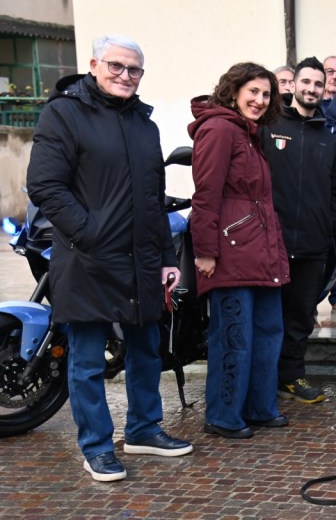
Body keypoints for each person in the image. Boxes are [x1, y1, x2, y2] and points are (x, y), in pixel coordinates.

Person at [27, 34, 193, 481]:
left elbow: (153, 197)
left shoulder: (144, 124)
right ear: (94, 64)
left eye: (134, 69)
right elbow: (45, 186)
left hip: (140, 261)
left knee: (146, 350)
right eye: (116, 66)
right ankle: (97, 447)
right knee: (85, 360)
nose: (125, 75)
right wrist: (90, 233)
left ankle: (142, 429)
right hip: (87, 259)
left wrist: (165, 255)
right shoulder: (63, 113)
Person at [188, 62, 290, 439]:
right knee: (234, 337)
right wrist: (205, 251)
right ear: (234, 91)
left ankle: (260, 407)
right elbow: (206, 195)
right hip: (230, 253)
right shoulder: (218, 129)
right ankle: (223, 414)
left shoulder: (251, 134)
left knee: (267, 333)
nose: (260, 100)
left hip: (261, 252)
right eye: (254, 92)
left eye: (266, 94)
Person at [264, 56, 336, 404]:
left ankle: (291, 378)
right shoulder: (270, 127)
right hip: (270, 243)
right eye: (305, 82)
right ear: (292, 85)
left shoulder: (329, 140)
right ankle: (262, 381)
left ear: (325, 90)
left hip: (312, 245)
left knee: (300, 318)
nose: (311, 89)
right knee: (268, 316)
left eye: (318, 84)